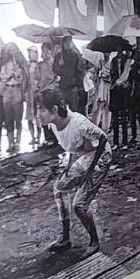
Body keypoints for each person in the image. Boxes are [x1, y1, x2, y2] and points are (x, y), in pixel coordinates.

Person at [35, 88, 109, 254]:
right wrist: (70, 165)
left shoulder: (78, 122)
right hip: (85, 155)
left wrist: (90, 171)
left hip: (100, 156)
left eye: (41, 109)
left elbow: (103, 138)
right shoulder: (54, 124)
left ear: (54, 110)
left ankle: (94, 241)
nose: (38, 114)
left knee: (79, 205)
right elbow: (73, 144)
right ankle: (65, 238)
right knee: (59, 188)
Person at [0, 43, 27, 149]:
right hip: (7, 90)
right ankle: (10, 142)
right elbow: (1, 76)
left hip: (17, 90)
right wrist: (9, 75)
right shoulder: (5, 64)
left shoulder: (21, 64)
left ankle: (18, 142)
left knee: (18, 117)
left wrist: (18, 74)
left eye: (14, 49)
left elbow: (23, 79)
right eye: (10, 50)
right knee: (8, 117)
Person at [53, 38, 86, 114]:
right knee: (61, 110)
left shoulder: (76, 55)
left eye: (69, 42)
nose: (67, 44)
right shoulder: (59, 56)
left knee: (74, 110)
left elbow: (80, 72)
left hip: (73, 88)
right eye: (65, 43)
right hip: (62, 87)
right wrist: (59, 65)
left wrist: (79, 87)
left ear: (71, 43)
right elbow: (55, 69)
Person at [108, 48, 132, 149]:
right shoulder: (113, 60)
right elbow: (111, 74)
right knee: (115, 117)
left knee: (124, 116)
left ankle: (125, 141)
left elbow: (126, 75)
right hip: (115, 90)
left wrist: (117, 83)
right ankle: (116, 142)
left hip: (123, 90)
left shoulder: (127, 60)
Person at [25, 45, 43, 144]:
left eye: (32, 52)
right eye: (29, 52)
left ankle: (38, 137)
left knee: (38, 115)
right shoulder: (26, 65)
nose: (30, 54)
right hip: (29, 93)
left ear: (36, 54)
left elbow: (41, 78)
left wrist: (38, 87)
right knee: (29, 116)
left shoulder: (39, 65)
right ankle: (32, 137)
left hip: (37, 92)